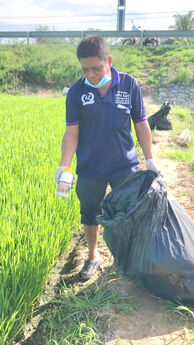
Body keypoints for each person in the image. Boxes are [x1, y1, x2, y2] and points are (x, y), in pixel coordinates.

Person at [55, 35, 160, 280]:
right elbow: (72, 131)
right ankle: (93, 256)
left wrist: (151, 159)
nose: (90, 74)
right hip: (91, 166)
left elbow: (141, 123)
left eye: (96, 68)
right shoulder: (77, 92)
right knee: (90, 211)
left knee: (127, 212)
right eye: (85, 69)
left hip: (124, 165)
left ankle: (124, 258)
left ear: (109, 61)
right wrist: (64, 165)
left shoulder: (129, 84)